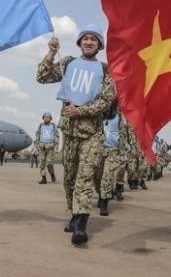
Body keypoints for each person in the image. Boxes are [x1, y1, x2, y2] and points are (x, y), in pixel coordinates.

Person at [36, 25, 116, 246]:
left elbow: (106, 100)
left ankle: (81, 225)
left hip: (92, 134)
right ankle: (74, 213)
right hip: (70, 132)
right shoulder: (68, 62)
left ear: (100, 45)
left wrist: (81, 110)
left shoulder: (106, 70)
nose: (89, 42)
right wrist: (52, 52)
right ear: (80, 42)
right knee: (70, 179)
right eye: (85, 38)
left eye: (94, 39)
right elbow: (42, 76)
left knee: (85, 178)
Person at [35, 112, 60, 184]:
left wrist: (56, 147)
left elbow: (57, 136)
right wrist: (37, 145)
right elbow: (37, 135)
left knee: (49, 163)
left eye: (48, 117)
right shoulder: (40, 126)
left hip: (50, 147)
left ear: (50, 118)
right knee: (42, 163)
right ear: (43, 118)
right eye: (45, 117)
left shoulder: (53, 126)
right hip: (42, 147)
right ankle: (43, 178)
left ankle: (52, 174)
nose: (46, 118)